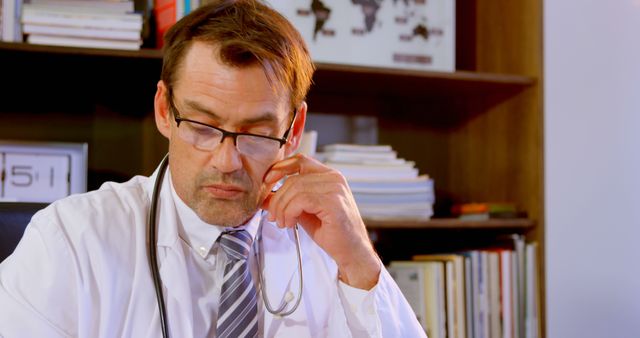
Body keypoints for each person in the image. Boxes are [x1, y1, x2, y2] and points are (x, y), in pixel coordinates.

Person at [0, 1, 426, 337]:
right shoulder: (70, 242)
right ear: (165, 110)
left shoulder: (327, 247)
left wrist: (360, 263)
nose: (227, 161)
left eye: (256, 133)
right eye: (203, 126)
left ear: (294, 129)